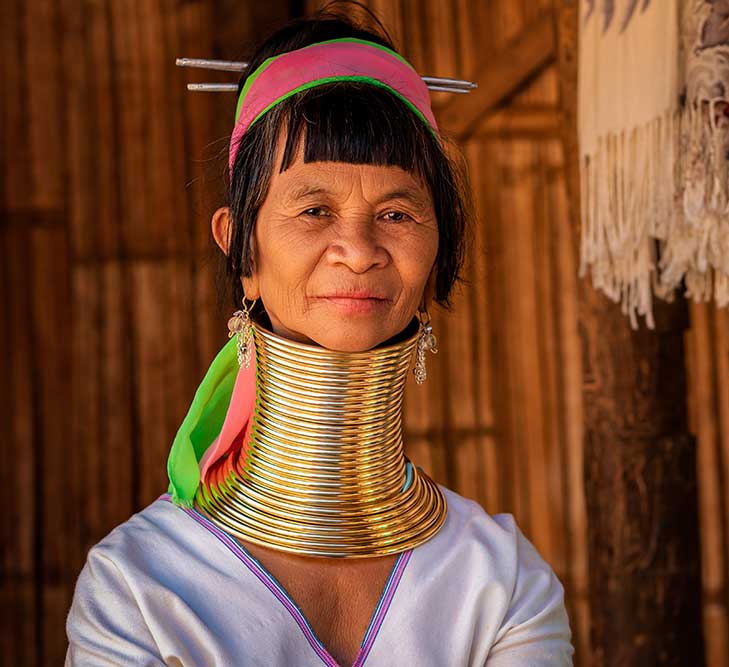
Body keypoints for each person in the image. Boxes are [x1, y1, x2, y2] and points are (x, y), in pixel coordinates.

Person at [64, 4, 573, 665]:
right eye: (313, 209)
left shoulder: (499, 581)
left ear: (439, 252)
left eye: (395, 212)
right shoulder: (142, 585)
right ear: (239, 247)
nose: (358, 250)